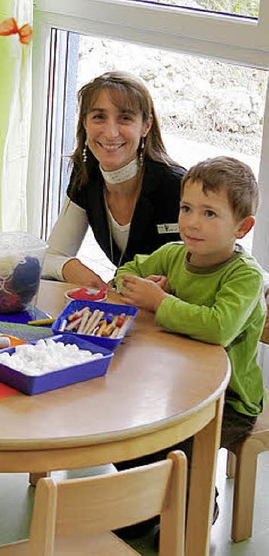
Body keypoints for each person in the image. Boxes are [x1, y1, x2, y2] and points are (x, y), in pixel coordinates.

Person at [116, 156, 266, 535]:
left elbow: (219, 328)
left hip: (229, 400)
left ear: (242, 227)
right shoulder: (174, 254)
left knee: (181, 446)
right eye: (186, 208)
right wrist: (141, 284)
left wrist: (159, 302)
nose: (192, 222)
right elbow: (126, 273)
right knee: (129, 433)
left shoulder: (244, 276)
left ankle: (196, 507)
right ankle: (145, 504)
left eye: (210, 214)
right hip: (172, 387)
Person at [42, 71, 186, 288]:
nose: (110, 133)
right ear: (84, 123)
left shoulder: (178, 187)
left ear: (146, 126)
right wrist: (69, 266)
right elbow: (49, 258)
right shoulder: (86, 174)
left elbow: (211, 273)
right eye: (99, 117)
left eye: (125, 118)